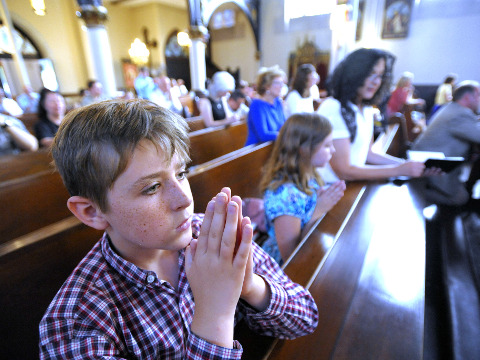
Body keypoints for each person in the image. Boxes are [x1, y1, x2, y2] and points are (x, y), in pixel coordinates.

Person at [39, 99, 318, 358]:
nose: (184, 198)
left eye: (181, 173)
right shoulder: (76, 321)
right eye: (151, 187)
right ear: (92, 212)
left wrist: (250, 286)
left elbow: (306, 318)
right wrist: (215, 313)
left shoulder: (207, 234)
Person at [317, 48, 427, 183]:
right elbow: (343, 170)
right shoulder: (334, 107)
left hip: (348, 185)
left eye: (380, 75)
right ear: (354, 74)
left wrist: (407, 165)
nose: (376, 81)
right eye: (370, 73)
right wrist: (399, 170)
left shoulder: (367, 109)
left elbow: (368, 154)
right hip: (327, 190)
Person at [260, 113, 346, 264]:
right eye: (327, 145)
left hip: (312, 249)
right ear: (304, 149)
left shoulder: (309, 175)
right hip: (281, 270)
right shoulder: (285, 196)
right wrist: (319, 209)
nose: (333, 150)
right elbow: (291, 258)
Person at [412, 81, 480, 206]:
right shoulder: (460, 114)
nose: (479, 100)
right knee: (460, 198)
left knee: (462, 192)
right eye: (478, 96)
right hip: (431, 167)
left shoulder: (452, 108)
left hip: (428, 161)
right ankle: (414, 195)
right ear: (467, 98)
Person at [245, 66, 287, 146]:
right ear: (267, 86)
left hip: (274, 146)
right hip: (255, 150)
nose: (282, 86)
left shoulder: (277, 101)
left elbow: (284, 126)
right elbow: (263, 135)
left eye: (282, 83)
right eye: (278, 83)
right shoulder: (257, 105)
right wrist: (285, 135)